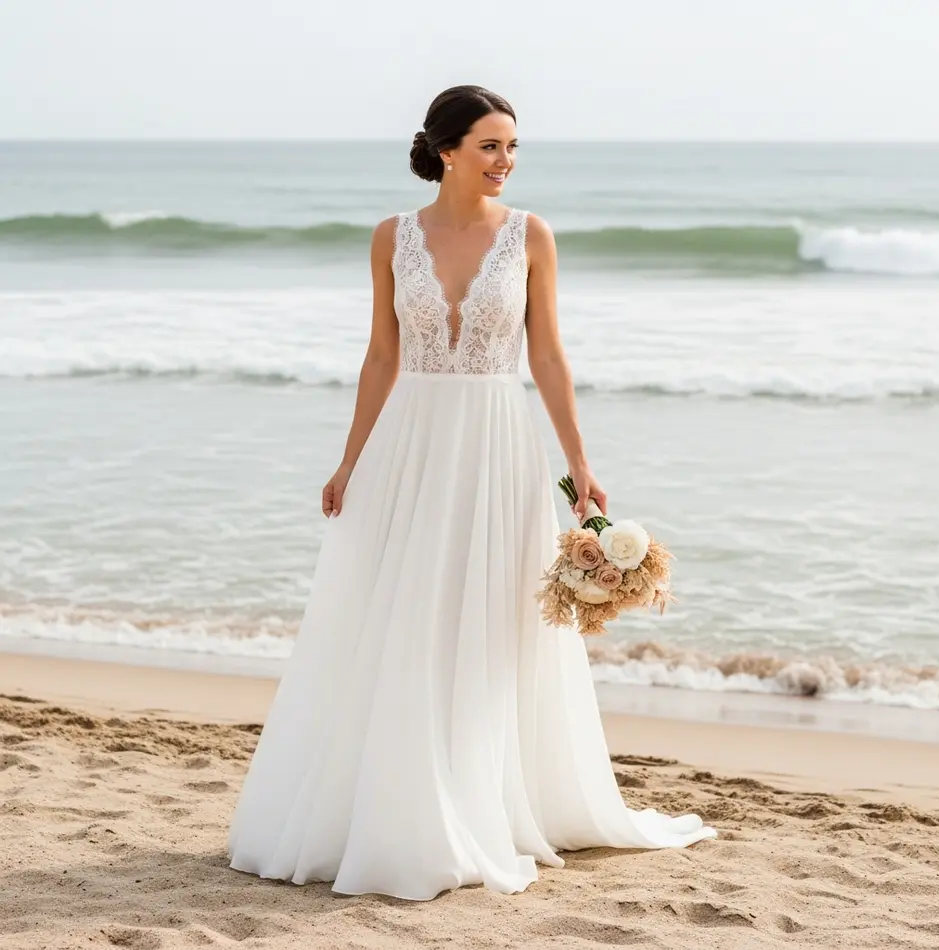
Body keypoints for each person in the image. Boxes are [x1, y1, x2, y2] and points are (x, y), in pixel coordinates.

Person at [227, 85, 715, 901]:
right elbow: (381, 356)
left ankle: (476, 795)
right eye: (489, 145)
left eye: (513, 147)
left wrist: (580, 464)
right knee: (399, 615)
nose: (505, 162)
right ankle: (389, 803)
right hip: (407, 447)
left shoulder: (531, 235)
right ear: (445, 149)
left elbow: (549, 358)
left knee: (485, 622)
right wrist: (349, 461)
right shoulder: (392, 237)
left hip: (496, 444)